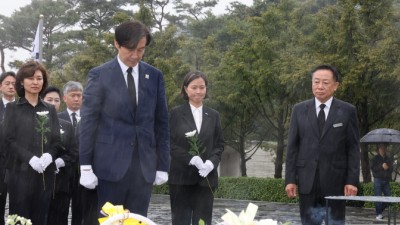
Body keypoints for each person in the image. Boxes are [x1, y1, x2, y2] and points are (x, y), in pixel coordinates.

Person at [79, 20, 170, 217]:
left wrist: (163, 165)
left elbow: (161, 122)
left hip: (143, 168)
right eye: (130, 49)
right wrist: (85, 165)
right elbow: (88, 122)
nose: (135, 55)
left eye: (141, 50)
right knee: (111, 221)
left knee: (138, 220)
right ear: (116, 44)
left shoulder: (154, 76)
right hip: (109, 168)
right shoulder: (100, 75)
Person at [285, 64, 360, 225]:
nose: (320, 86)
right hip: (307, 182)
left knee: (335, 223)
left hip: (336, 183)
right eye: (316, 82)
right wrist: (290, 179)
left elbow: (353, 149)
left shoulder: (347, 111)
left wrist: (352, 181)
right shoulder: (299, 110)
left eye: (325, 83)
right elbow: (292, 147)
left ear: (335, 86)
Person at [3, 61, 61, 225]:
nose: (35, 82)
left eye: (39, 78)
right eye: (30, 78)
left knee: (41, 217)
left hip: (44, 175)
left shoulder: (49, 109)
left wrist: (50, 155)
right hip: (19, 173)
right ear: (21, 81)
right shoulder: (13, 108)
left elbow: (57, 140)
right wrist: (30, 158)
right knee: (20, 219)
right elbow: (8, 141)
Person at [169, 71, 224, 225]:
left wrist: (211, 163)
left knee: (203, 222)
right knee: (181, 221)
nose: (198, 91)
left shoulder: (213, 115)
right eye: (194, 87)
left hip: (206, 180)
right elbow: (170, 143)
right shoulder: (176, 113)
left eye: (202, 87)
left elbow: (219, 144)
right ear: (185, 89)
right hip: (181, 179)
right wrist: (191, 159)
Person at [58, 80, 98, 225]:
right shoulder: (57, 118)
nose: (76, 99)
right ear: (65, 97)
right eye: (72, 95)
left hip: (84, 173)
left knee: (81, 212)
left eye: (79, 95)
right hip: (63, 174)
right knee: (60, 212)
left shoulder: (90, 119)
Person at [42, 86, 78, 225]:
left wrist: (61, 161)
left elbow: (74, 152)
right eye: (49, 99)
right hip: (39, 181)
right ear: (42, 101)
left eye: (56, 100)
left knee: (59, 218)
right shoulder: (35, 123)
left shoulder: (67, 125)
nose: (53, 103)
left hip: (61, 181)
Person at [0, 71, 16, 225]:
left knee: (18, 204)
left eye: (14, 83)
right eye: (7, 83)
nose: (11, 87)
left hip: (20, 164)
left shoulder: (23, 107)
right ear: (0, 86)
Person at [370, 143, 393, 220]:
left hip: (386, 180)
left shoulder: (388, 158)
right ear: (379, 149)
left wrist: (387, 168)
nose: (383, 150)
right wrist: (381, 166)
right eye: (381, 148)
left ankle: (379, 210)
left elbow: (391, 169)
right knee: (378, 197)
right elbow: (373, 169)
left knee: (389, 197)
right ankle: (379, 214)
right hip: (378, 180)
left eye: (384, 148)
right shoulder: (375, 158)